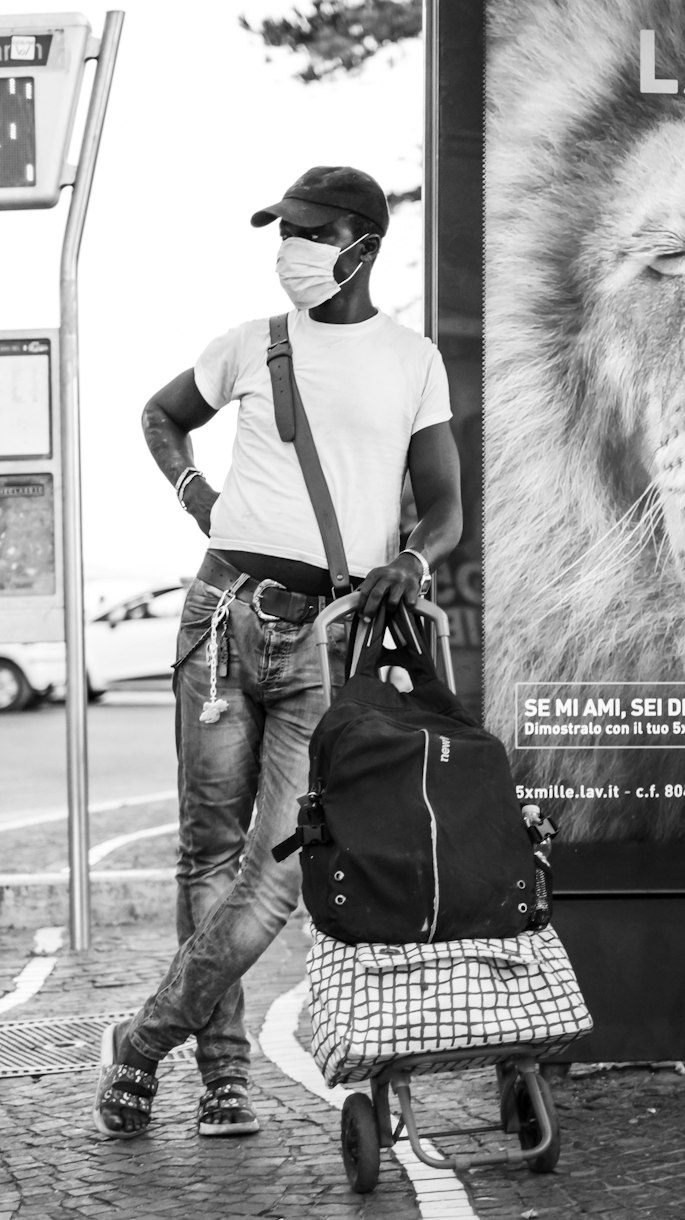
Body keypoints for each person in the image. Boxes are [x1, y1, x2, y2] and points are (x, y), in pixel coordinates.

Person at [92, 166, 463, 1139]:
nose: (289, 246)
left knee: (279, 868)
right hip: (221, 618)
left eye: (308, 230)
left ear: (361, 246)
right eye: (283, 229)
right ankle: (223, 1077)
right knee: (207, 854)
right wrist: (198, 499)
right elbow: (158, 415)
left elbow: (448, 503)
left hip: (328, 638)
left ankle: (141, 1039)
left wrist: (414, 560)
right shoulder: (248, 345)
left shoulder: (411, 359)